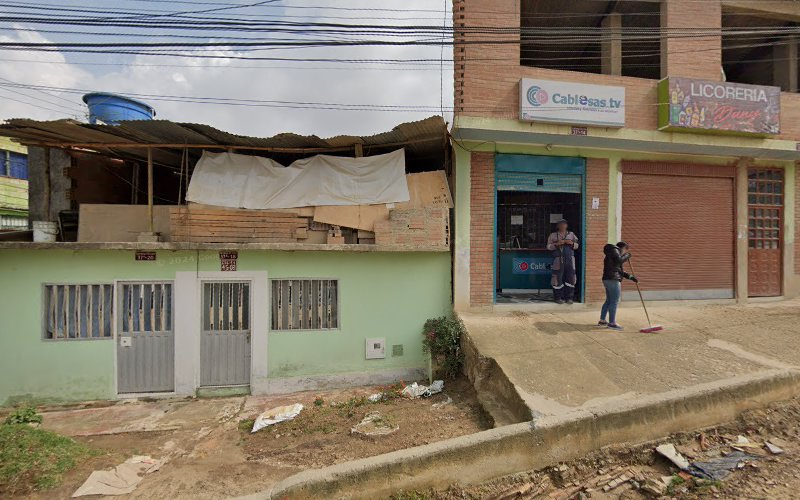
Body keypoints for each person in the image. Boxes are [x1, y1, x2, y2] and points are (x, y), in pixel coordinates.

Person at [600, 241, 638, 330]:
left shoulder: (611, 253)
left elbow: (618, 269)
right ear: (623, 248)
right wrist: (627, 255)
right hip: (613, 280)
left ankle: (602, 320)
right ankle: (612, 323)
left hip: (608, 279)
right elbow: (619, 260)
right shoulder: (615, 250)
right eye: (625, 250)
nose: (625, 252)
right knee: (614, 301)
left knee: (609, 301)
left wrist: (630, 277)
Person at [546, 219, 579, 304]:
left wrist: (571, 243)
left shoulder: (571, 235)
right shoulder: (553, 235)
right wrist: (556, 244)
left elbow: (577, 245)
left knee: (571, 278)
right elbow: (548, 247)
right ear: (557, 226)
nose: (562, 226)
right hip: (558, 260)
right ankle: (558, 298)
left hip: (570, 260)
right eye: (560, 224)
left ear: (566, 226)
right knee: (557, 278)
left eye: (564, 224)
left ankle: (569, 298)